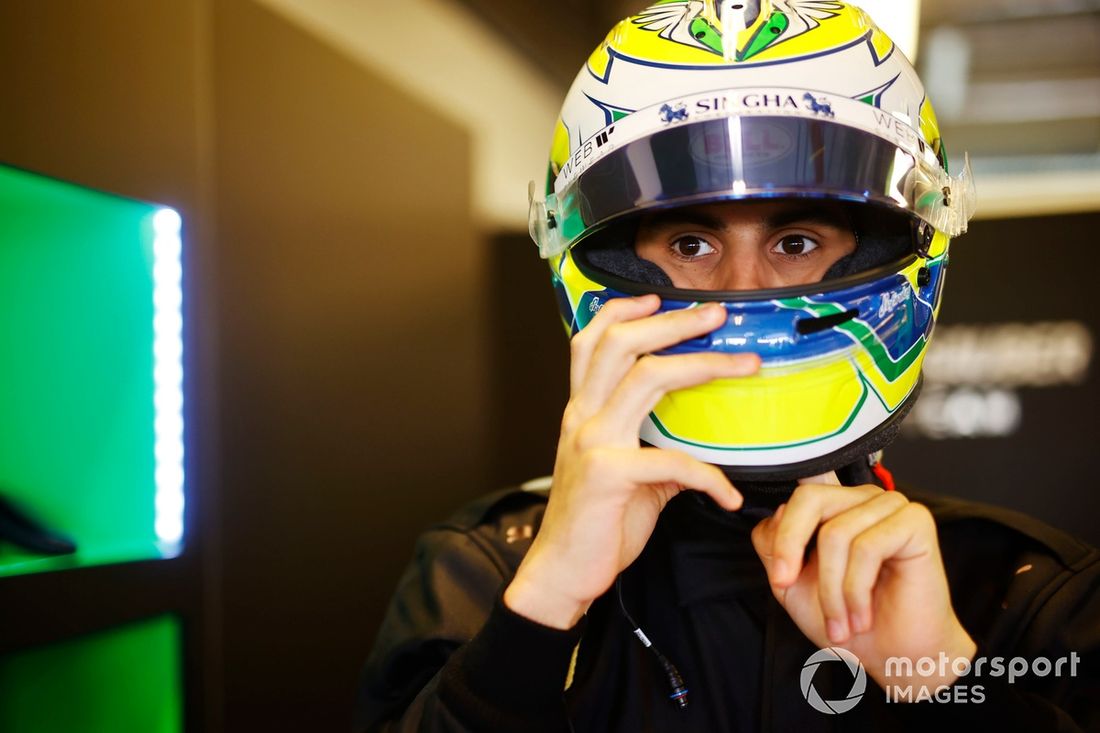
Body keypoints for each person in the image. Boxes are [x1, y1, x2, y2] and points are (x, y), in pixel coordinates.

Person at [354, 2, 1099, 730]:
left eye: (796, 243)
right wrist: (544, 609)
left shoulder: (1025, 590)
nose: (743, 290)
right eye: (691, 245)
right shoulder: (484, 570)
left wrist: (941, 679)